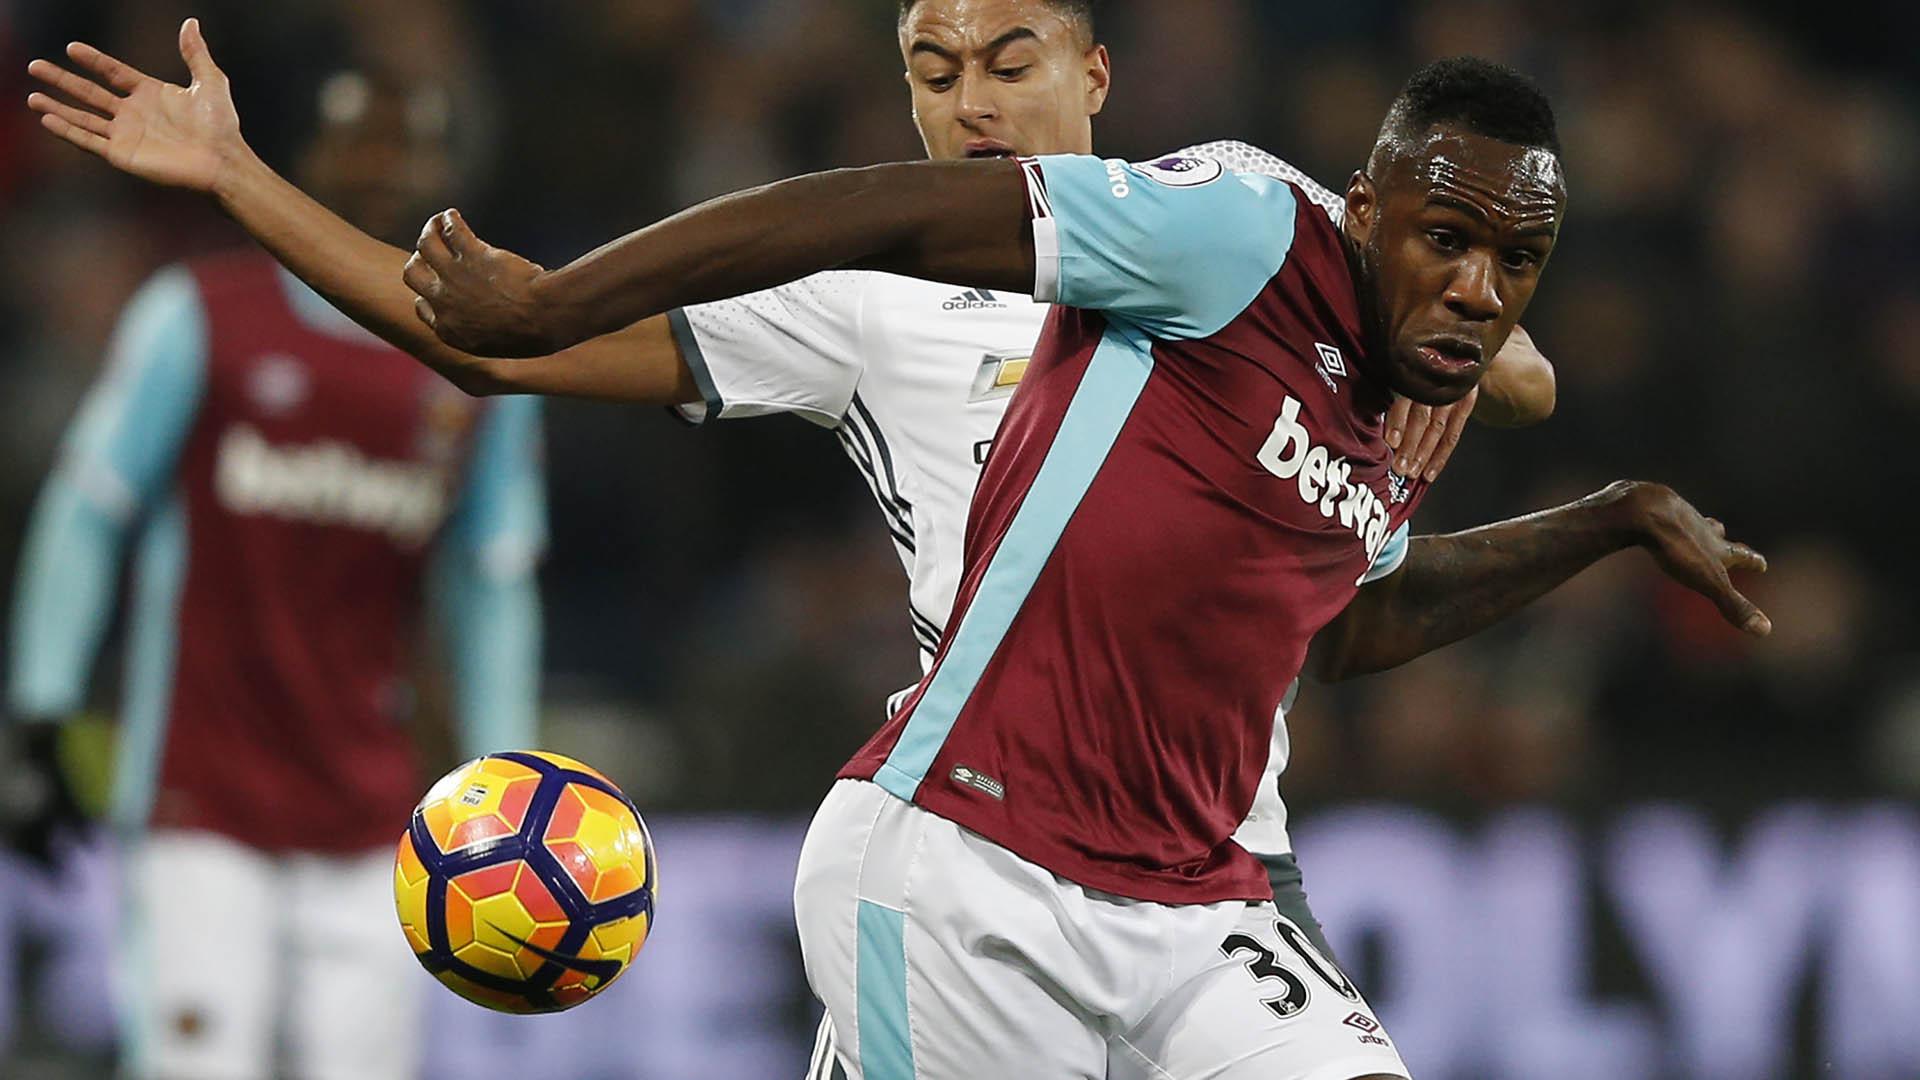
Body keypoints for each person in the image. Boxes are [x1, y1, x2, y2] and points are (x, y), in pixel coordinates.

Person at [389, 55, 1772, 1080]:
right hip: (965, 869)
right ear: (1367, 211)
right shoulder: (1235, 233)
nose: (1479, 286)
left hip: (1199, 900)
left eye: (1517, 261)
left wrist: (1605, 520)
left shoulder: (1429, 389)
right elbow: (897, 215)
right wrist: (566, 299)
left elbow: (1340, 624)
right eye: (1449, 240)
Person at [3, 68, 545, 1080]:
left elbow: (493, 581)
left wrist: (503, 777)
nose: (386, 170)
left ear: (449, 178)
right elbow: (89, 512)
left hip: (374, 818)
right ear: (311, 161)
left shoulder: (484, 370)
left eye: (412, 148)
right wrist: (40, 709)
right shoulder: (203, 316)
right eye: (362, 142)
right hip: (199, 803)